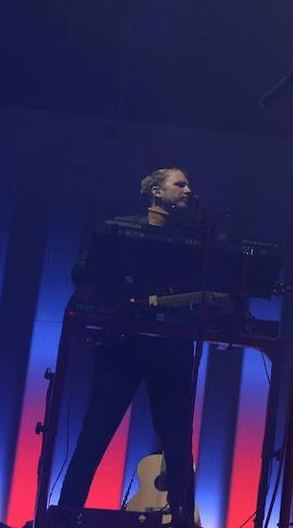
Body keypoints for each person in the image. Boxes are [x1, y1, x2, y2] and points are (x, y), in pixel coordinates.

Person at [59, 168, 199, 526]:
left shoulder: (195, 240)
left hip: (168, 348)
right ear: (155, 191)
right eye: (179, 184)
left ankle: (183, 519)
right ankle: (65, 515)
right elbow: (82, 269)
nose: (188, 189)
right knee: (95, 434)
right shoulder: (121, 226)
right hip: (122, 344)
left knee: (178, 442)